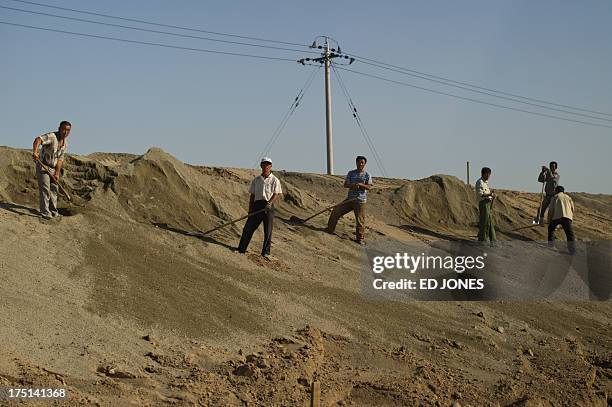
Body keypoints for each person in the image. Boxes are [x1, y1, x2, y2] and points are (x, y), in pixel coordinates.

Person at [237, 157, 283, 257]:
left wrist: (270, 203)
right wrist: (250, 208)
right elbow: (252, 195)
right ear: (261, 166)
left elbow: (276, 193)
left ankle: (266, 252)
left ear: (271, 166)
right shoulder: (256, 180)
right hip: (257, 205)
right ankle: (241, 248)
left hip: (268, 206)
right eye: (264, 164)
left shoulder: (275, 180)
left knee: (268, 231)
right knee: (248, 228)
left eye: (268, 165)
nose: (266, 166)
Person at [325, 155, 373, 245]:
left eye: (362, 163)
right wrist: (352, 185)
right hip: (350, 199)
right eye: (359, 162)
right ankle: (329, 229)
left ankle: (360, 238)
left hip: (360, 200)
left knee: (360, 220)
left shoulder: (367, 175)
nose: (360, 164)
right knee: (336, 211)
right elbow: (345, 184)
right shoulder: (351, 173)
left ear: (365, 164)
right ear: (356, 163)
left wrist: (360, 185)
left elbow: (369, 187)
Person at [32, 121, 71, 219]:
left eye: (68, 130)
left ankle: (53, 211)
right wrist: (35, 152)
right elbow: (38, 140)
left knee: (54, 189)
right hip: (43, 165)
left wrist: (57, 173)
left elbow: (60, 160)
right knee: (45, 189)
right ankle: (45, 212)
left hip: (53, 168)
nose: (65, 132)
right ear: (59, 128)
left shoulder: (65, 144)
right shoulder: (52, 136)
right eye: (63, 129)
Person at [547, 185, 575, 255]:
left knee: (551, 228)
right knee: (569, 234)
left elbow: (551, 210)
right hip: (567, 217)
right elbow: (572, 208)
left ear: (556, 190)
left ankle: (551, 245)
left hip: (557, 217)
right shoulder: (568, 197)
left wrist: (549, 220)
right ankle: (572, 251)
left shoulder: (555, 197)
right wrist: (570, 217)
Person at [475, 167, 496, 245]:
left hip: (488, 203)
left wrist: (492, 195)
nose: (488, 176)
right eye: (487, 174)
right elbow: (480, 194)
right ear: (483, 174)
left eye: (489, 174)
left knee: (490, 222)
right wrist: (490, 194)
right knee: (485, 222)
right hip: (483, 203)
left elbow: (488, 193)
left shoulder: (485, 183)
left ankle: (492, 240)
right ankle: (482, 239)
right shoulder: (479, 182)